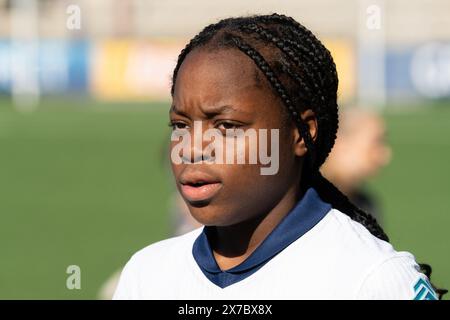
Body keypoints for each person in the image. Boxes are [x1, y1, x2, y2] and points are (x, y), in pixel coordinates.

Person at [113, 14, 443, 299]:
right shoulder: (147, 276)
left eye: (227, 126)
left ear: (302, 133)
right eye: (180, 124)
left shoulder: (372, 279)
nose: (191, 147)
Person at [320, 108, 392, 223]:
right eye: (377, 142)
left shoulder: (365, 205)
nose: (385, 156)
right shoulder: (295, 201)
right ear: (338, 143)